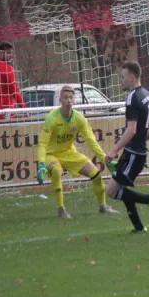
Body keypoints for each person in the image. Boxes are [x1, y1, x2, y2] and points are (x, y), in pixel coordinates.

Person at [36, 85, 118, 218]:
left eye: (71, 97)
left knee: (96, 174)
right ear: (60, 100)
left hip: (69, 153)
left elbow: (91, 141)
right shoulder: (52, 118)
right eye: (65, 97)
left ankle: (103, 206)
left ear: (74, 100)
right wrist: (41, 164)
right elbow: (42, 143)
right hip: (51, 155)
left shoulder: (79, 119)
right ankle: (61, 209)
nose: (68, 100)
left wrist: (105, 159)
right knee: (57, 171)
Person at [104, 61, 149, 233]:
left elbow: (131, 130)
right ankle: (138, 227)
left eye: (122, 77)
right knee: (121, 188)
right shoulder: (148, 95)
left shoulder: (132, 97)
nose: (121, 81)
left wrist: (113, 151)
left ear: (131, 78)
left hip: (133, 153)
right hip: (136, 153)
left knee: (111, 190)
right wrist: (144, 138)